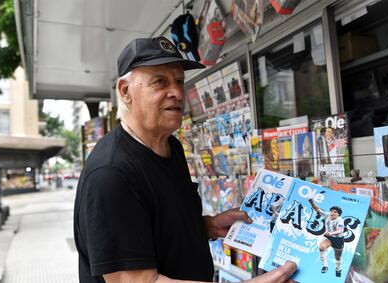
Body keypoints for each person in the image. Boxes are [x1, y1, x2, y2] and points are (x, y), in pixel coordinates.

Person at [73, 36, 297, 283]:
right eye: (160, 82)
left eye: (179, 81)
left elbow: (157, 229)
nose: (177, 92)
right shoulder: (111, 174)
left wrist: (208, 226)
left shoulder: (172, 147)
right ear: (126, 92)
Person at [308, 198, 344, 277]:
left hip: (338, 239)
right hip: (329, 237)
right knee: (321, 247)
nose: (333, 213)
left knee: (337, 257)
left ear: (338, 214)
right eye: (332, 211)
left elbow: (340, 230)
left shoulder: (340, 220)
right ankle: (325, 266)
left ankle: (338, 269)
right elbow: (317, 209)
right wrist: (311, 202)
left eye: (335, 212)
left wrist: (331, 233)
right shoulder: (327, 215)